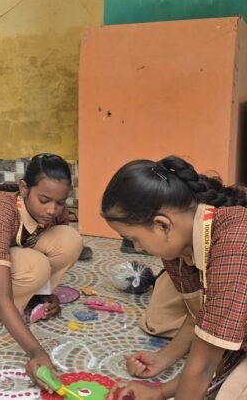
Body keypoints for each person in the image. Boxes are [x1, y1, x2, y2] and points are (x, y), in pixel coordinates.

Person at [100, 155, 247, 400]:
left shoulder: (235, 243)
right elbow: (199, 315)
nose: (136, 248)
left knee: (230, 393)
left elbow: (204, 365)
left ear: (162, 225)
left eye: (133, 239)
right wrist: (160, 382)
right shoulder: (178, 246)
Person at [0, 153, 84, 384]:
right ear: (24, 188)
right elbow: (12, 284)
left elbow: (58, 246)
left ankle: (34, 297)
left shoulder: (56, 209)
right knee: (33, 266)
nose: (52, 210)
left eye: (60, 202)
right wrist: (36, 352)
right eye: (44, 200)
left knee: (70, 240)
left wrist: (47, 295)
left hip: (20, 250)